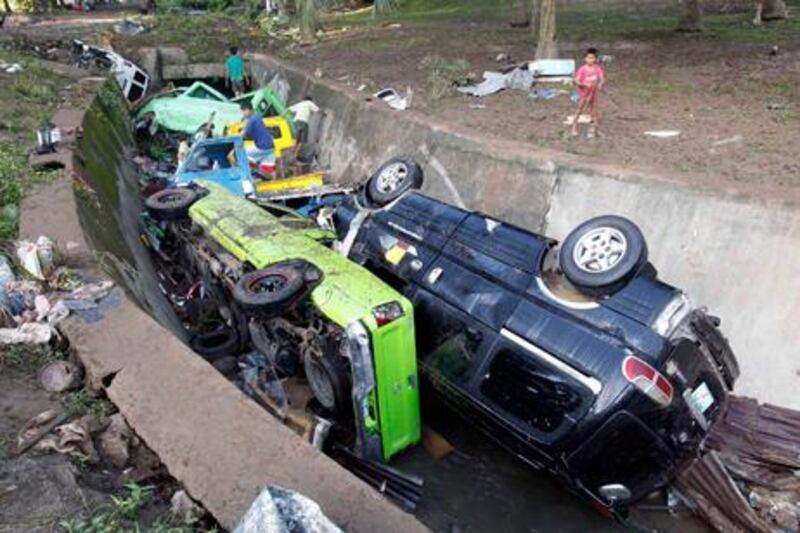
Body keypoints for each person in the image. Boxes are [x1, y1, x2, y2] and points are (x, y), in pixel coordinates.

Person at [571, 47, 605, 139]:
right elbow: (576, 81)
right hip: (584, 94)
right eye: (588, 58)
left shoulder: (598, 68)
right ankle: (574, 128)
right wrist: (584, 84)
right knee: (579, 109)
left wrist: (600, 84)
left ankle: (596, 130)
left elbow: (602, 78)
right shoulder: (582, 69)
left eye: (592, 58)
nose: (590, 60)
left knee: (594, 111)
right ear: (585, 59)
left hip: (593, 94)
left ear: (595, 59)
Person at [240, 101, 275, 172]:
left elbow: (242, 135)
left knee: (242, 154)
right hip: (271, 145)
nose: (243, 114)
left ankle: (248, 174)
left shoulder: (251, 120)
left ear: (247, 110)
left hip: (262, 147)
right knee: (268, 168)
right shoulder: (258, 116)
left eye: (243, 111)